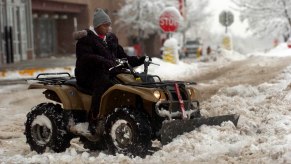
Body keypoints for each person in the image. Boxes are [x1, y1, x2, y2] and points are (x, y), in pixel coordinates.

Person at [74, 8, 146, 133]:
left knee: (130, 81)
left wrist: (138, 60)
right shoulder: (85, 40)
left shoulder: (111, 39)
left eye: (109, 25)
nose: (107, 28)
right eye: (105, 25)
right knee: (104, 84)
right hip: (89, 75)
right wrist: (102, 60)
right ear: (97, 25)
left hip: (108, 71)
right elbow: (85, 57)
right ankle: (94, 118)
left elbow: (123, 57)